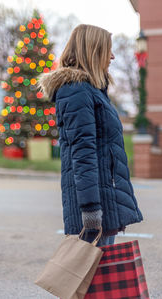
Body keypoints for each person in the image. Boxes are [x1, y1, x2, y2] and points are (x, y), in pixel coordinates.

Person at [38, 24, 143, 247]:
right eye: (108, 50)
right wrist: (91, 209)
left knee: (100, 276)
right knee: (92, 275)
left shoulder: (92, 91)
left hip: (103, 197)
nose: (112, 56)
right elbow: (83, 153)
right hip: (94, 205)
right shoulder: (76, 91)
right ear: (93, 51)